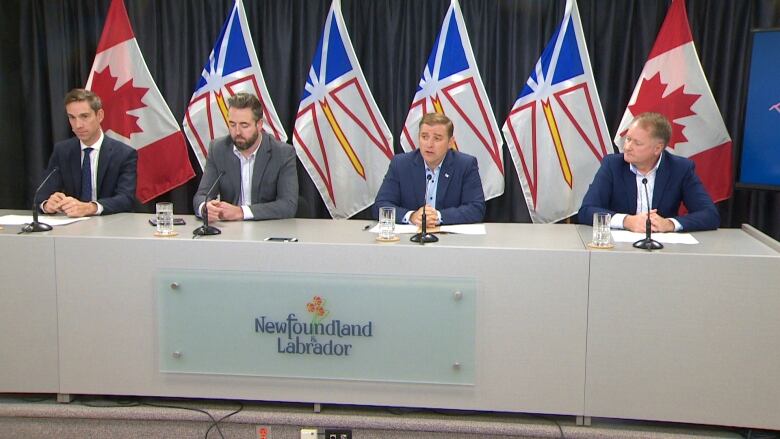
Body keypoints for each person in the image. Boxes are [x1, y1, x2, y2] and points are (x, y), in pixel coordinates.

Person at [578, 112, 719, 232]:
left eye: (637, 143)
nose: (627, 147)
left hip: (663, 252)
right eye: (628, 139)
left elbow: (710, 215)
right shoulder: (613, 165)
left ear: (657, 148)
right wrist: (627, 221)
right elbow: (586, 211)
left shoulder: (680, 169)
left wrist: (669, 224)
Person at [193, 92, 297, 221]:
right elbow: (202, 195)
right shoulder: (218, 149)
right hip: (230, 232)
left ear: (259, 125)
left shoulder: (282, 153)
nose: (237, 132)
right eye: (232, 124)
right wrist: (205, 207)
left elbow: (288, 205)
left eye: (244, 125)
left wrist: (241, 212)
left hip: (267, 230)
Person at [36, 88, 137, 217]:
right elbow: (41, 195)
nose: (78, 125)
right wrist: (47, 204)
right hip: (72, 226)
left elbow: (126, 199)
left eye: (84, 116)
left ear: (99, 115)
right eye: (72, 117)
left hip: (111, 224)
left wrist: (91, 207)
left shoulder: (124, 154)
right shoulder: (62, 151)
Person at [373, 113, 485, 227]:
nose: (429, 144)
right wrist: (411, 216)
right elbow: (380, 206)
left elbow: (476, 209)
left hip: (450, 240)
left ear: (450, 142)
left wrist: (438, 217)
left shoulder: (465, 165)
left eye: (437, 138)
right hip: (409, 240)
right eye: (424, 137)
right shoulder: (401, 164)